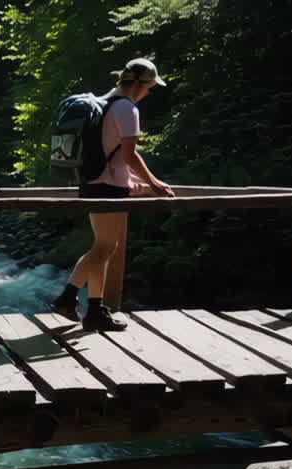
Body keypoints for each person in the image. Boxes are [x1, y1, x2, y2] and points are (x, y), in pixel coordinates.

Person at [50, 58, 174, 332]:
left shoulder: (104, 103)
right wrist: (154, 183)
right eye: (150, 86)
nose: (150, 92)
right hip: (108, 187)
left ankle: (94, 311)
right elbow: (129, 155)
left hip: (93, 182)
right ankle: (67, 298)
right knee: (105, 247)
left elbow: (111, 151)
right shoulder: (127, 109)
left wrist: (130, 180)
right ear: (140, 85)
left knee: (103, 246)